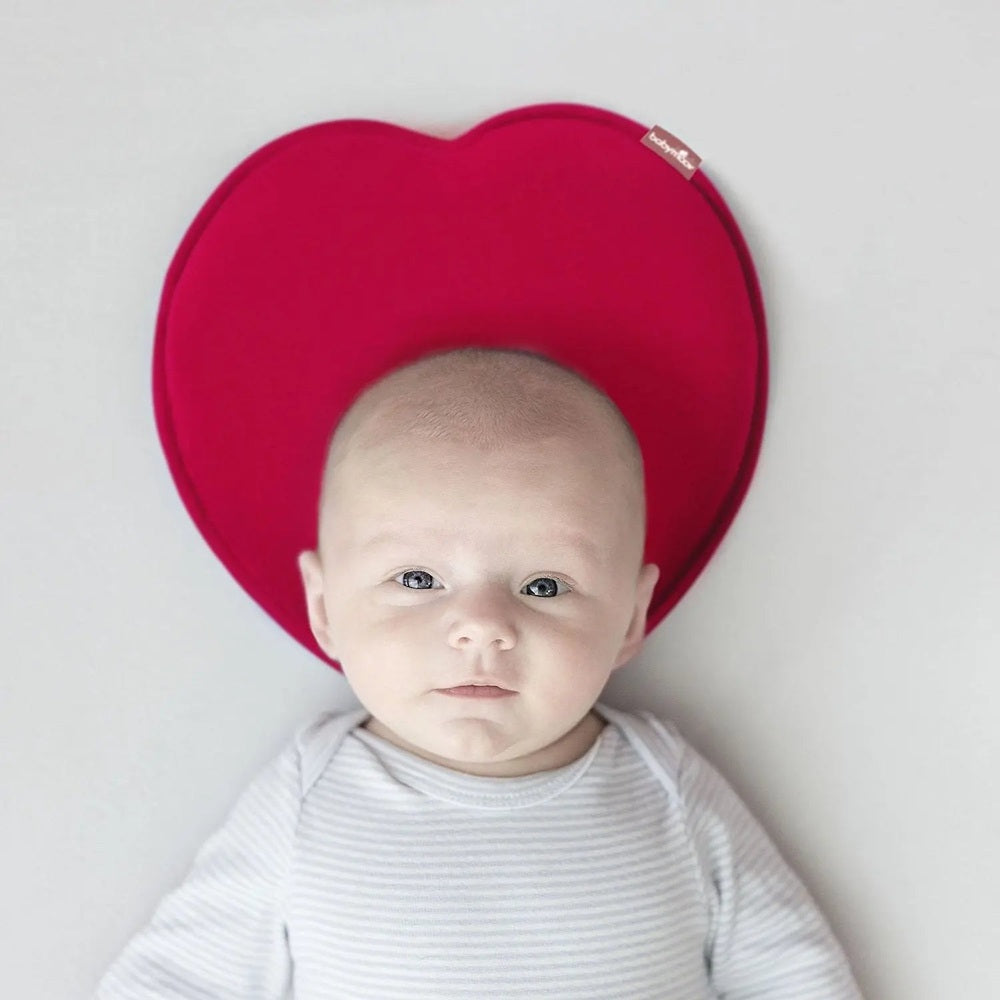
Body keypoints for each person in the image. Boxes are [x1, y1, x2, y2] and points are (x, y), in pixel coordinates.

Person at [93, 346, 863, 999]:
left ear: (629, 619)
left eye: (544, 587)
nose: (484, 627)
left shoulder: (667, 788)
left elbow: (793, 972)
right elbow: (174, 981)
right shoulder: (307, 797)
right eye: (419, 579)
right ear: (324, 608)